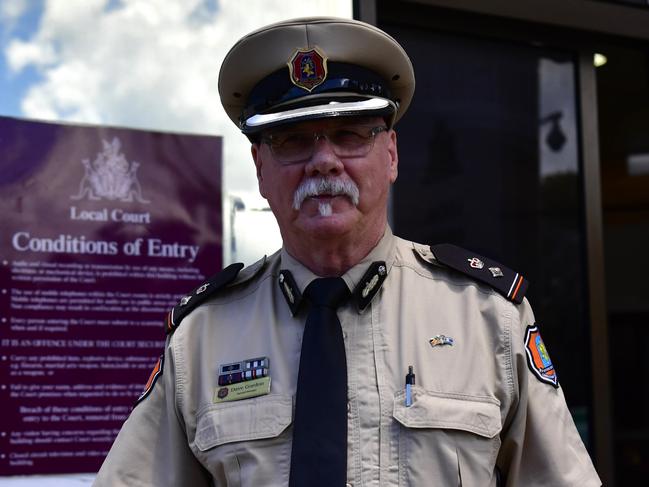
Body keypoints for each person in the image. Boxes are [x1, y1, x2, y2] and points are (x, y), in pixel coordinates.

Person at [94, 17, 602, 486]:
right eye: (292, 140)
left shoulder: (488, 318)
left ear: (392, 154)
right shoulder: (201, 338)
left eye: (350, 134)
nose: (323, 162)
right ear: (258, 168)